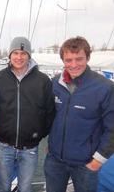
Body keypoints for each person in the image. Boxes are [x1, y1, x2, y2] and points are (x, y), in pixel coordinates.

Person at [44, 36, 114, 192]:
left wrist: (98, 160)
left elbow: (112, 128)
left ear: (88, 57)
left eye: (79, 59)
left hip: (86, 164)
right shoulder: (55, 83)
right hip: (55, 160)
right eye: (68, 60)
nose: (74, 65)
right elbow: (50, 116)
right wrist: (51, 144)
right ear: (63, 60)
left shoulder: (105, 87)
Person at [0, 37, 55, 192]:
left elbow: (49, 112)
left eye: (23, 53)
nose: (19, 57)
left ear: (29, 56)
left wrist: (39, 134)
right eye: (15, 53)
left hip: (30, 147)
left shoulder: (43, 81)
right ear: (10, 55)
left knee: (25, 188)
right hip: (4, 146)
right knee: (3, 186)